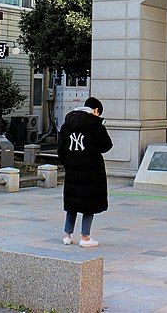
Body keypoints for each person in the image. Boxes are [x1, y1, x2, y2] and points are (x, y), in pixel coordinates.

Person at [57, 96, 113, 247]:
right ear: (95, 110)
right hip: (91, 170)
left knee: (72, 202)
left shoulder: (67, 124)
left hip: (72, 170)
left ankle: (67, 235)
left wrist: (69, 162)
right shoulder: (96, 125)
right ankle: (85, 237)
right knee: (89, 204)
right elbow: (106, 146)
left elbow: (61, 149)